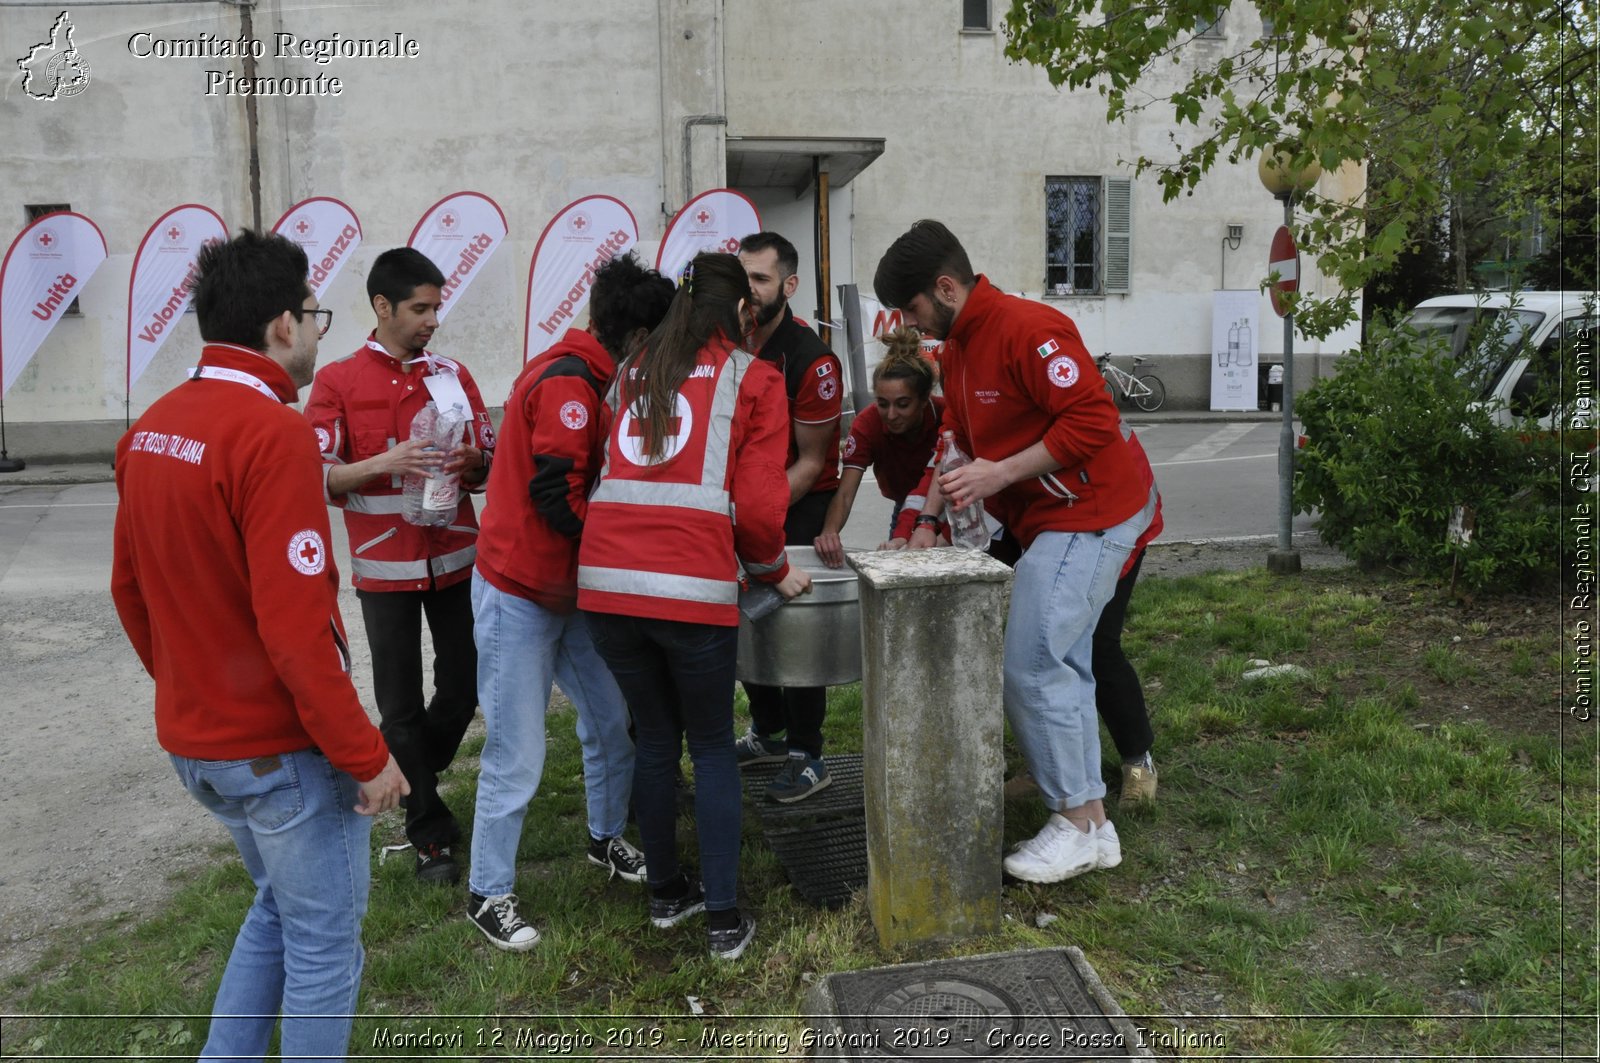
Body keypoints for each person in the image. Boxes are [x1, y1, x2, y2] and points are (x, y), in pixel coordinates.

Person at [110, 229, 408, 1060]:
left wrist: (193, 691)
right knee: (324, 946)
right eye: (314, 314)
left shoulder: (155, 426)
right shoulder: (274, 433)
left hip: (205, 744)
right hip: (281, 754)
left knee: (279, 912)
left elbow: (128, 591)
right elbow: (296, 630)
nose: (318, 331)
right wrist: (366, 754)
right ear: (283, 324)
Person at [874, 220, 1157, 884]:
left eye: (914, 309)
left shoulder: (1029, 329)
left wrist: (1000, 474)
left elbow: (1092, 420)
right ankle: (1094, 823)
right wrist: (924, 519)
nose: (912, 326)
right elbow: (955, 437)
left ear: (945, 287)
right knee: (1062, 665)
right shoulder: (962, 346)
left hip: (1092, 512)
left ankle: (1078, 823)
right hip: (1052, 518)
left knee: (1032, 664)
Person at [578, 252, 811, 960]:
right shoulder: (754, 376)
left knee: (654, 737)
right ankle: (722, 919)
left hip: (607, 585)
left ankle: (665, 895)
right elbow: (764, 508)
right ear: (742, 311)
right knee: (710, 743)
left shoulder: (630, 371)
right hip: (688, 587)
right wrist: (774, 569)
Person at [465, 254, 675, 950]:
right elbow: (559, 497)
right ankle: (487, 890)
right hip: (520, 592)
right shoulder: (570, 387)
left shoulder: (592, 373)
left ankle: (604, 837)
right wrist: (627, 553)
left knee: (611, 721)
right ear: (639, 334)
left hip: (568, 591)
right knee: (517, 750)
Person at [304, 247, 493, 885]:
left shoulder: (453, 375)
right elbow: (318, 476)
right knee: (400, 704)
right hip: (385, 566)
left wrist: (472, 462)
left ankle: (413, 776)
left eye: (436, 306)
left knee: (465, 688)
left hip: (459, 558)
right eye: (420, 308)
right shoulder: (337, 381)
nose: (432, 319)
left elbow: (490, 461)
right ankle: (429, 832)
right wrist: (388, 463)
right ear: (382, 307)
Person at [735, 231, 843, 802]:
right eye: (743, 277)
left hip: (799, 505)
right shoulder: (732, 341)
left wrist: (756, 513)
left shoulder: (813, 359)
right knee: (748, 619)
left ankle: (808, 753)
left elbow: (811, 461)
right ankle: (769, 732)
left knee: (795, 629)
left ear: (789, 286)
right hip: (747, 506)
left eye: (761, 279)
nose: (749, 291)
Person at [813, 327, 944, 568]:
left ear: (925, 400)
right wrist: (829, 532)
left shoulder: (945, 416)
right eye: (883, 404)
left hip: (946, 502)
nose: (891, 415)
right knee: (900, 561)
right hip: (904, 503)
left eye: (903, 404)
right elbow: (845, 494)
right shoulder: (867, 424)